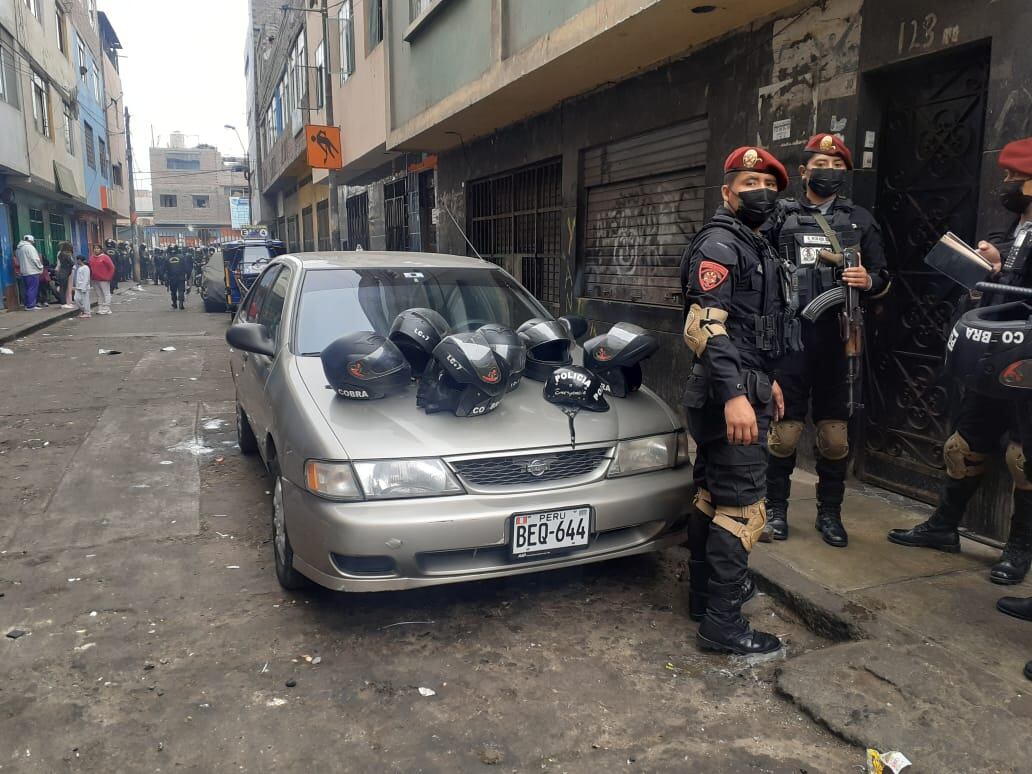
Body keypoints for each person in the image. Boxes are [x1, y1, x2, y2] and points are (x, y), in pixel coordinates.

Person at [888, 137, 1032, 586]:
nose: (1006, 184)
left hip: (1027, 364)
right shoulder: (1008, 230)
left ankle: (1018, 550)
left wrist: (1003, 269)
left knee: (1024, 460)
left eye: (1016, 178)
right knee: (963, 447)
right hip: (990, 358)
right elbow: (987, 290)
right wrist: (983, 268)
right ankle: (943, 526)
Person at [680, 146, 800, 655]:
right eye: (751, 181)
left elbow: (750, 328)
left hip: (739, 385)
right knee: (745, 509)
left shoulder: (753, 242)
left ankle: (704, 599)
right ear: (727, 192)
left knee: (712, 497)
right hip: (728, 393)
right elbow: (704, 326)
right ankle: (723, 626)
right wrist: (736, 395)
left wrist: (763, 380)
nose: (762, 191)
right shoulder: (722, 245)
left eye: (770, 184)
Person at [761, 134, 891, 546]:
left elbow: (885, 279)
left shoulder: (860, 221)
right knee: (783, 434)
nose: (829, 171)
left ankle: (830, 513)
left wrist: (867, 280)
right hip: (790, 339)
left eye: (837, 166)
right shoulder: (778, 216)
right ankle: (775, 510)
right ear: (803, 171)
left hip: (839, 342)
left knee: (835, 438)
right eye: (821, 163)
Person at [14, 235, 44, 310]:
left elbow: (18, 259)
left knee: (27, 289)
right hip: (32, 271)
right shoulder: (30, 247)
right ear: (31, 240)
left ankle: (27, 304)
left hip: (23, 271)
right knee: (32, 288)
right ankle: (31, 305)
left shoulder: (19, 249)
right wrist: (40, 267)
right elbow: (35, 259)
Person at [89, 244, 115, 315]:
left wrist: (109, 277)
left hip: (104, 279)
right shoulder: (91, 257)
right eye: (95, 248)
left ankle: (107, 308)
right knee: (99, 294)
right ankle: (100, 308)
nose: (96, 250)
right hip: (94, 279)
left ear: (101, 249)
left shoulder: (105, 257)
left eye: (97, 248)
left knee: (106, 293)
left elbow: (112, 267)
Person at [56, 241, 76, 309]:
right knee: (64, 288)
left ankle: (66, 303)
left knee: (63, 288)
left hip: (62, 272)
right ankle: (65, 303)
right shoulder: (66, 254)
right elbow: (72, 263)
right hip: (66, 272)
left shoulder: (60, 254)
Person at [73, 254, 91, 319]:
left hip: (84, 287)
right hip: (78, 287)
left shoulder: (86, 268)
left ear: (80, 260)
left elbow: (86, 278)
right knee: (76, 299)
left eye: (77, 260)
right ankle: (83, 310)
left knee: (85, 300)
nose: (77, 261)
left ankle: (87, 313)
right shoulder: (80, 268)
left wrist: (84, 287)